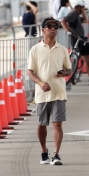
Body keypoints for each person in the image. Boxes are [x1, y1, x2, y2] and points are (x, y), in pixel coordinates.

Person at [27, 18, 73, 166]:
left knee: (57, 124)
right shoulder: (35, 49)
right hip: (42, 94)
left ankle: (56, 154)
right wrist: (40, 83)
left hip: (59, 92)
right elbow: (30, 71)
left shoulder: (62, 49)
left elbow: (69, 68)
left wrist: (64, 73)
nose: (53, 29)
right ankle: (43, 151)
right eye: (49, 26)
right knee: (42, 124)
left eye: (56, 27)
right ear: (43, 30)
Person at [61, 0, 89, 84]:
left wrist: (82, 12)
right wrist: (68, 31)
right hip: (78, 40)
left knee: (86, 58)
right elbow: (63, 21)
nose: (84, 8)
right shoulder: (73, 13)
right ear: (78, 7)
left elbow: (85, 20)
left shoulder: (77, 14)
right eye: (82, 7)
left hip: (80, 39)